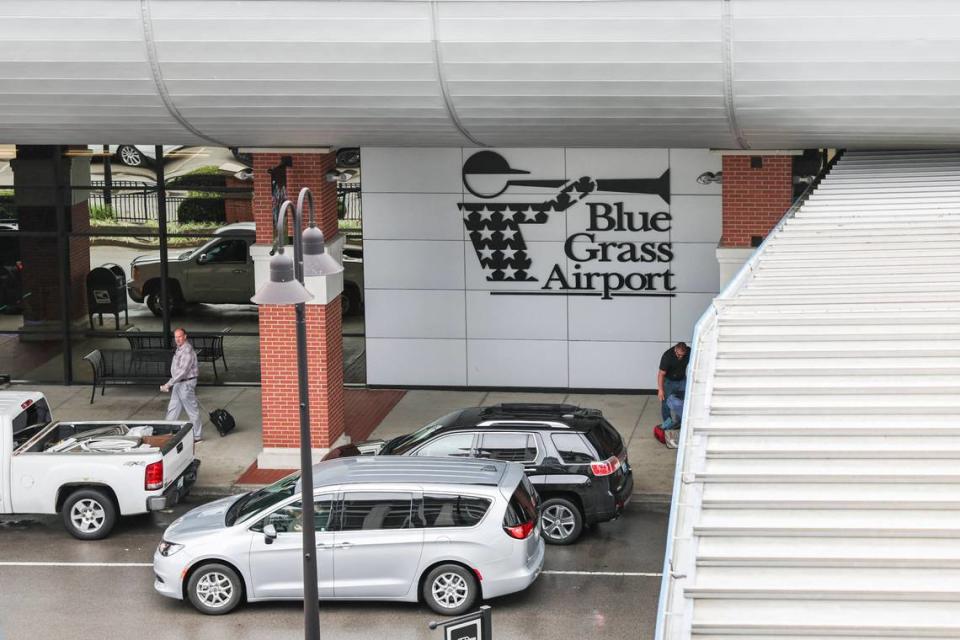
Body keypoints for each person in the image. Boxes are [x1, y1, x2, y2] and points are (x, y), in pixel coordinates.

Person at [161, 327, 202, 442]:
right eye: (176, 337)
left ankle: (197, 436)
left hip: (186, 384)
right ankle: (166, 432)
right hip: (179, 383)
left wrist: (169, 384)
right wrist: (172, 383)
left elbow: (183, 372)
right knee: (173, 408)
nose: (178, 339)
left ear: (185, 337)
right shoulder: (180, 348)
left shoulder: (187, 351)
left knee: (192, 411)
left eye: (180, 336)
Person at [657, 342, 689, 448]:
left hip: (682, 380)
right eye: (678, 355)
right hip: (669, 382)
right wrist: (661, 390)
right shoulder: (667, 356)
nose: (680, 357)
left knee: (684, 402)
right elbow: (661, 374)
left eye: (682, 355)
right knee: (665, 402)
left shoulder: (689, 352)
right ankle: (668, 423)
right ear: (675, 349)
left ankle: (679, 423)